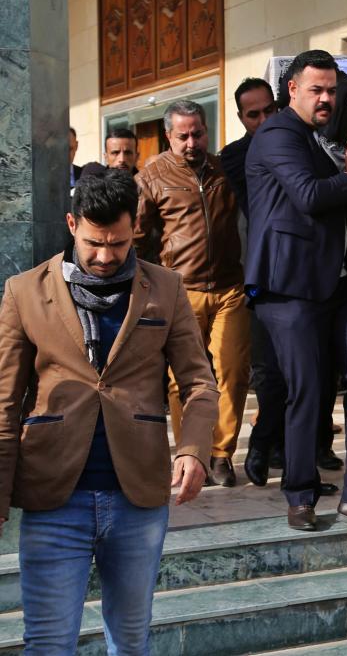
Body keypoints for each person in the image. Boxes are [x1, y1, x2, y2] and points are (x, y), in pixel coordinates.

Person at [0, 170, 218, 654]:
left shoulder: (165, 288)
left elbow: (199, 382)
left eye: (117, 244)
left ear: (134, 228)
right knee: (49, 645)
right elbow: (4, 401)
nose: (104, 257)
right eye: (94, 243)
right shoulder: (24, 292)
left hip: (137, 498)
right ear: (72, 224)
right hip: (53, 496)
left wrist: (194, 449)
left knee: (131, 643)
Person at [245, 49, 347, 532]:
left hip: (336, 282)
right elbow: (310, 196)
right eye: (317, 90)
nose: (327, 98)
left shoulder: (319, 138)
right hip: (287, 286)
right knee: (307, 391)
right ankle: (299, 494)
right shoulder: (277, 134)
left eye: (333, 90)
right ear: (292, 89)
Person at [135, 100, 250, 487]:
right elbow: (136, 239)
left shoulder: (223, 170)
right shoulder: (151, 177)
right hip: (179, 292)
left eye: (197, 133)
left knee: (232, 373)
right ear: (168, 135)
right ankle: (192, 454)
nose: (191, 142)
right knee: (180, 379)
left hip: (230, 288)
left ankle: (221, 456)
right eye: (182, 135)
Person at [221, 77, 277, 218]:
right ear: (241, 118)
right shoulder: (233, 154)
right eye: (254, 115)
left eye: (268, 110)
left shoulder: (297, 139)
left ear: (276, 108)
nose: (264, 120)